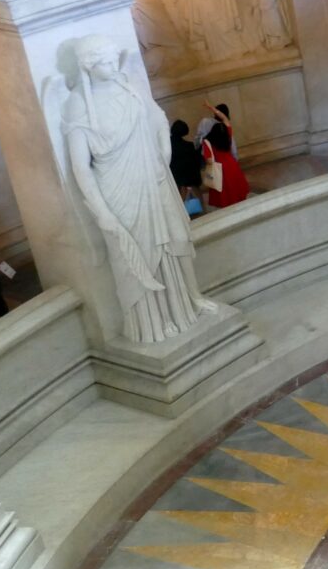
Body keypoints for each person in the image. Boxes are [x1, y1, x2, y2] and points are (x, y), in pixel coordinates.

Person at [58, 34, 215, 343]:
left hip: (151, 178)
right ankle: (153, 324)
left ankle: (188, 302)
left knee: (175, 240)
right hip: (119, 190)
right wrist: (101, 212)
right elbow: (80, 167)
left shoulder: (129, 85)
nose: (111, 65)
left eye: (112, 58)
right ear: (87, 66)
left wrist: (163, 157)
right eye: (103, 61)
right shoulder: (79, 105)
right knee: (137, 256)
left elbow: (158, 119)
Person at [200, 102, 250, 208]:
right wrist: (212, 108)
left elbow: (209, 161)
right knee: (236, 189)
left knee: (225, 193)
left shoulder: (207, 142)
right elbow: (225, 119)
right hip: (231, 165)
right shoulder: (228, 132)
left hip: (219, 169)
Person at [168, 119, 203, 207]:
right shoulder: (188, 146)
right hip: (187, 180)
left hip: (173, 180)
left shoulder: (167, 145)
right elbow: (195, 163)